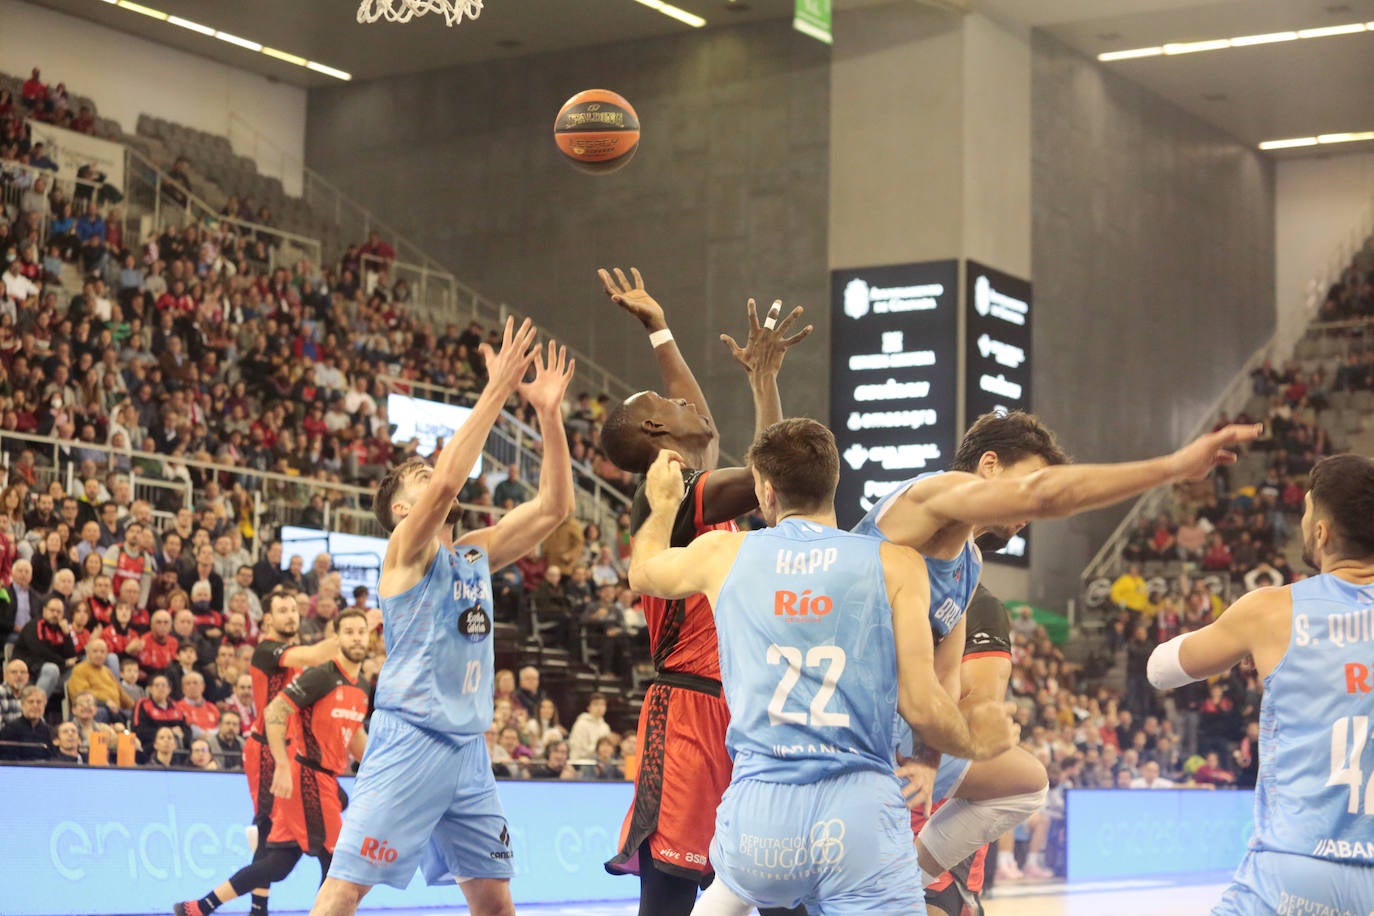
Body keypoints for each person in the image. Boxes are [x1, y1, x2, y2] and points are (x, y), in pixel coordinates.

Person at [851, 411, 1262, 901]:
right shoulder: (929, 495)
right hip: (843, 713)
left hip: (889, 725)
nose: (1032, 505)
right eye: (1032, 475)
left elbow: (944, 677)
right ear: (989, 465)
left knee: (1024, 781)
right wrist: (1173, 466)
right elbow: (1044, 496)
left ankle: (906, 877)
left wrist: (928, 759)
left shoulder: (968, 562)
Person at [628, 423, 1018, 913]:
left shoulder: (723, 554)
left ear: (766, 492)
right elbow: (923, 703)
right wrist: (975, 740)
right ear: (835, 482)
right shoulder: (897, 564)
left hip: (760, 818)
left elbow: (643, 571)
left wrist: (662, 508)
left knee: (733, 891)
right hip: (856, 817)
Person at [311, 319, 574, 916]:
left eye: (434, 473)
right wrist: (498, 389)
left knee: (495, 903)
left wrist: (549, 417)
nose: (437, 476)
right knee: (345, 887)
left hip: (468, 750)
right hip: (409, 738)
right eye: (422, 478)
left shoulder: (475, 551)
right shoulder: (405, 550)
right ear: (404, 508)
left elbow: (555, 508)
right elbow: (452, 474)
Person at [597, 268, 812, 916]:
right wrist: (765, 382)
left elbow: (711, 433)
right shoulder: (669, 495)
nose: (689, 405)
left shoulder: (691, 491)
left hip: (738, 714)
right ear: (659, 436)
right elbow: (767, 472)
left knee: (782, 891)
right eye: (670, 407)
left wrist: (660, 329)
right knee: (668, 902)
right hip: (688, 717)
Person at [1148, 454, 1374, 914]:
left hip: (1294, 869)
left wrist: (1246, 642)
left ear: (1321, 533)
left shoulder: (1272, 611)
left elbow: (1160, 669)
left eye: (1307, 512)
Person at [175, 609, 371, 916]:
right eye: (349, 632)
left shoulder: (362, 687)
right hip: (306, 777)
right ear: (336, 638)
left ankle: (198, 907)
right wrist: (281, 763)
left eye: (362, 631)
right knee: (337, 865)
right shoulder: (321, 676)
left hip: (322, 782)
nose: (357, 637)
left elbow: (355, 733)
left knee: (277, 866)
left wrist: (376, 766)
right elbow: (274, 711)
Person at [241, 592, 341, 916]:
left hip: (295, 751)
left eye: (294, 610)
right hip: (267, 750)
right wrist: (356, 631)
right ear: (268, 618)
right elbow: (314, 655)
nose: (290, 616)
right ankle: (259, 909)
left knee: (339, 802)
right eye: (282, 610)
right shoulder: (267, 650)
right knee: (267, 828)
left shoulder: (297, 653)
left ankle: (325, 902)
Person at [0, 686, 51, 761]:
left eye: (39, 702)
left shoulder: (48, 731)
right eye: (31, 702)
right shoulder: (9, 730)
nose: (35, 706)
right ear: (22, 705)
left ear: (44, 705)